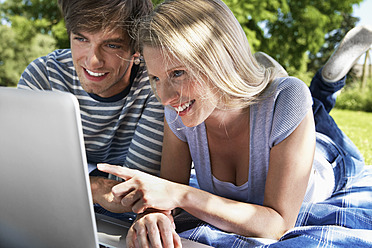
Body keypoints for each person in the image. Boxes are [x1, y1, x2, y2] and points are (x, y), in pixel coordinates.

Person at [98, 0, 372, 247]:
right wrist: (154, 214)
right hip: (270, 117)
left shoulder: (288, 99)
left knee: (316, 112)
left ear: (221, 59)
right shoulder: (178, 111)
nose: (165, 97)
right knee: (293, 103)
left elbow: (277, 225)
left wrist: (180, 195)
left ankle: (325, 86)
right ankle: (272, 79)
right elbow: (168, 193)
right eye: (156, 79)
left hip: (328, 160)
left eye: (178, 73)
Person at [17, 0, 164, 215]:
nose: (93, 61)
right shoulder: (44, 76)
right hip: (52, 206)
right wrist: (95, 187)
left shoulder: (155, 84)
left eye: (112, 45)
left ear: (136, 49)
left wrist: (67, 180)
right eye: (81, 39)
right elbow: (22, 170)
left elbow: (127, 193)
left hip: (115, 215)